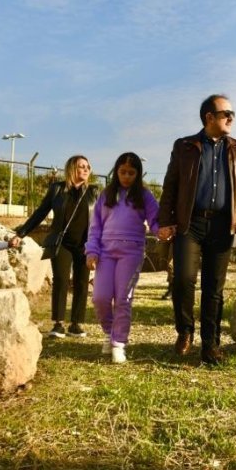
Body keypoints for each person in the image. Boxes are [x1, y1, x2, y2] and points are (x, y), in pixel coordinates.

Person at [158, 94, 236, 366]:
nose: (232, 118)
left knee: (214, 288)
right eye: (227, 113)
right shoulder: (185, 146)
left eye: (232, 114)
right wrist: (164, 220)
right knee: (183, 280)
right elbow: (171, 185)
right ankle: (185, 330)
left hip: (222, 226)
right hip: (190, 224)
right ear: (209, 117)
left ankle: (211, 344)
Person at [85, 153, 160, 364]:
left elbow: (155, 221)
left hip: (132, 252)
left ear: (138, 174)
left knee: (122, 299)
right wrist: (92, 251)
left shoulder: (144, 196)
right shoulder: (106, 195)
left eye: (131, 173)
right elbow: (95, 226)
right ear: (116, 171)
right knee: (100, 297)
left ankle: (119, 343)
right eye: (123, 172)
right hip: (105, 252)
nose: (126, 176)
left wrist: (162, 231)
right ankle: (109, 332)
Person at [13, 155, 97, 338]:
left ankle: (77, 324)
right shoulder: (57, 190)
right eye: (81, 166)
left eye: (88, 167)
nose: (85, 169)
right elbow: (40, 213)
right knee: (60, 280)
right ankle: (58, 323)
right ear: (72, 169)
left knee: (82, 283)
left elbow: (102, 220)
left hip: (86, 244)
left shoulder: (93, 192)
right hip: (61, 243)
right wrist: (21, 233)